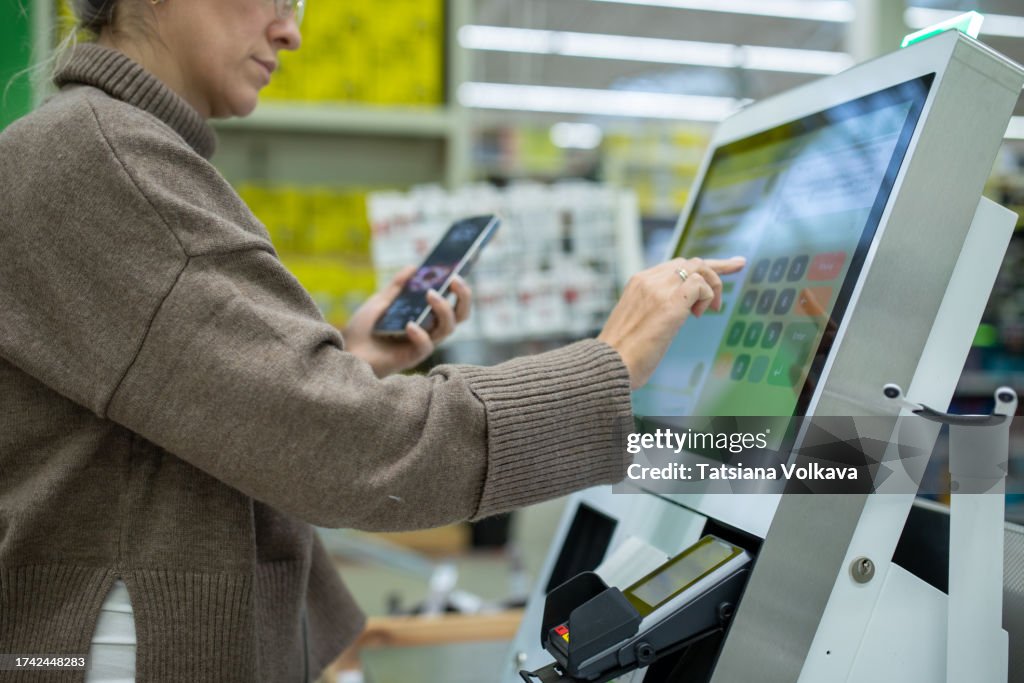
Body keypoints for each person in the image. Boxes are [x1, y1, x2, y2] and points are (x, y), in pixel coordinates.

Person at [0, 0, 745, 680]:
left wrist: (344, 361)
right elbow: (355, 449)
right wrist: (608, 364)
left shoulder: (111, 150)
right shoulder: (105, 156)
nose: (291, 31)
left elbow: (184, 435)